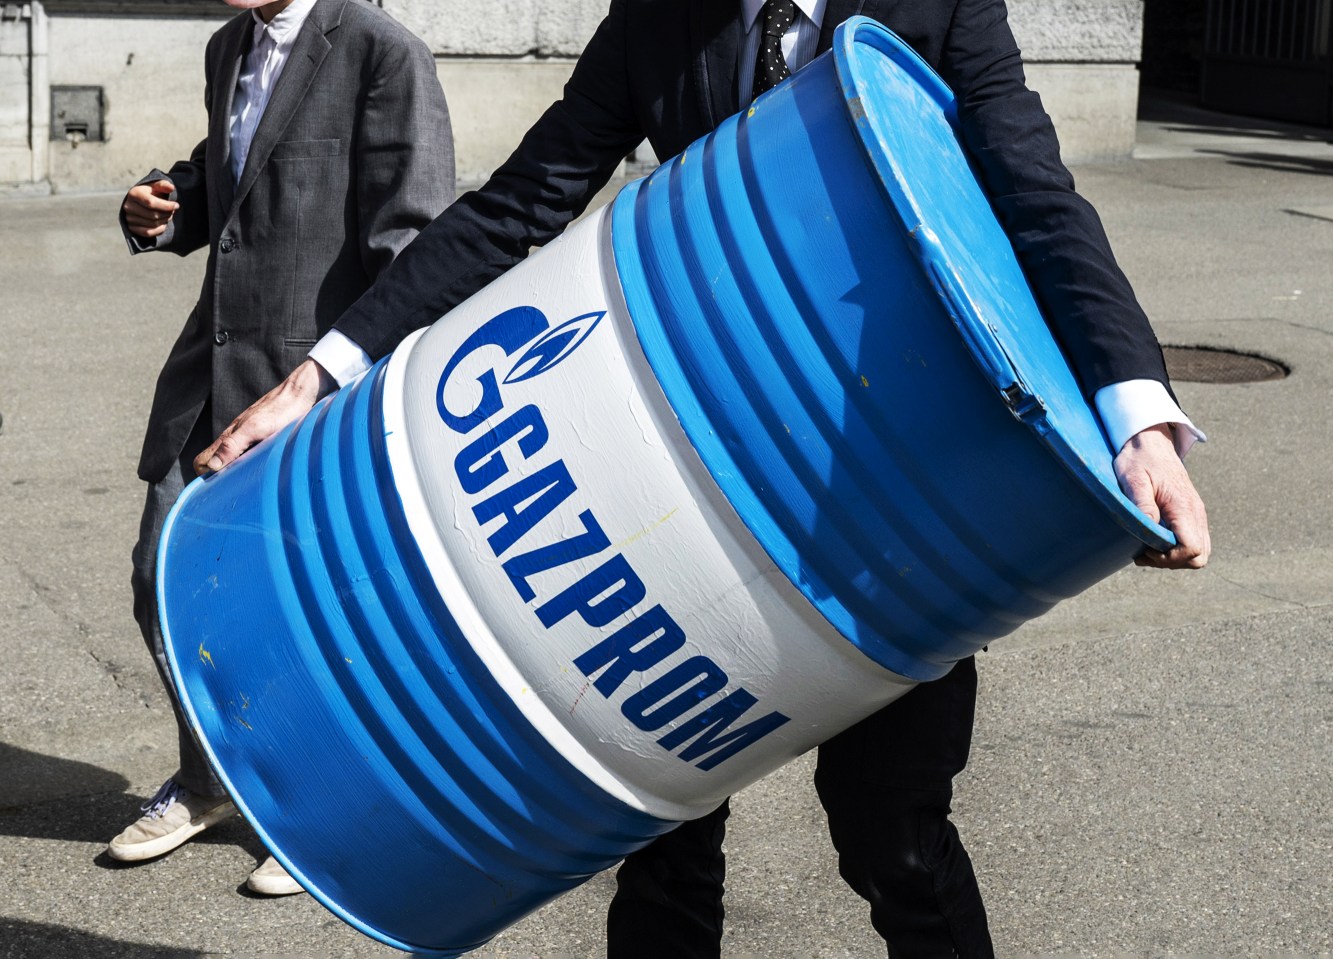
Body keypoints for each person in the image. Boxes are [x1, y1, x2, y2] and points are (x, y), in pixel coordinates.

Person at [194, 0, 1210, 952]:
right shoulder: (661, 15)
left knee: (893, 832)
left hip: (895, 492)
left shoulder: (936, 3)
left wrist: (1138, 422)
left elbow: (1033, 193)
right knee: (661, 833)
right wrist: (322, 372)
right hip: (671, 472)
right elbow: (521, 203)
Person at [108, 0, 453, 896]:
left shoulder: (384, 53)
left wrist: (348, 393)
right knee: (162, 577)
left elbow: (410, 245)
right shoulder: (232, 45)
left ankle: (315, 811)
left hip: (310, 391)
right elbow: (237, 180)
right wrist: (166, 207)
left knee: (310, 612)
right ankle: (211, 778)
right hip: (209, 379)